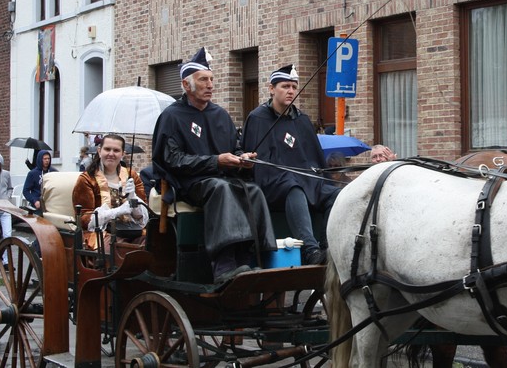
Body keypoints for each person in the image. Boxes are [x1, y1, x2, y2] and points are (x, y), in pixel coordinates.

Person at [152, 47, 276, 284]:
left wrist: (243, 158)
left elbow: (234, 148)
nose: (210, 85)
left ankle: (250, 258)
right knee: (221, 189)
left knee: (253, 191)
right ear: (186, 85)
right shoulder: (172, 116)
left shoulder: (220, 114)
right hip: (189, 183)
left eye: (211, 79)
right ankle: (223, 264)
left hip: (223, 177)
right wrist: (215, 161)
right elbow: (173, 160)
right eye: (203, 80)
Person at [242, 64, 340, 265]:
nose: (291, 91)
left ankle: (327, 247)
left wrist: (322, 179)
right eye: (285, 86)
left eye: (294, 87)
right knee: (292, 185)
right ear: (272, 89)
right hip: (273, 184)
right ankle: (310, 250)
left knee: (336, 193)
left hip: (306, 181)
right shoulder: (258, 118)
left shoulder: (302, 120)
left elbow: (315, 158)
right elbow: (258, 165)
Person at [72, 134, 148, 249]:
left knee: (150, 244)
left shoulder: (131, 176)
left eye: (116, 150)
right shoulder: (87, 179)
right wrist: (117, 211)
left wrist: (133, 197)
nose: (111, 154)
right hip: (102, 233)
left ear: (123, 154)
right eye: (107, 149)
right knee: (117, 248)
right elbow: (84, 220)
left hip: (131, 230)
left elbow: (142, 217)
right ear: (99, 151)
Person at [23, 150, 57, 214]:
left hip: (51, 203)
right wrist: (34, 201)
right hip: (38, 205)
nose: (47, 160)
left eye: (48, 158)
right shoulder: (32, 173)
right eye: (45, 159)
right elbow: (25, 191)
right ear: (40, 159)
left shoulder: (54, 172)